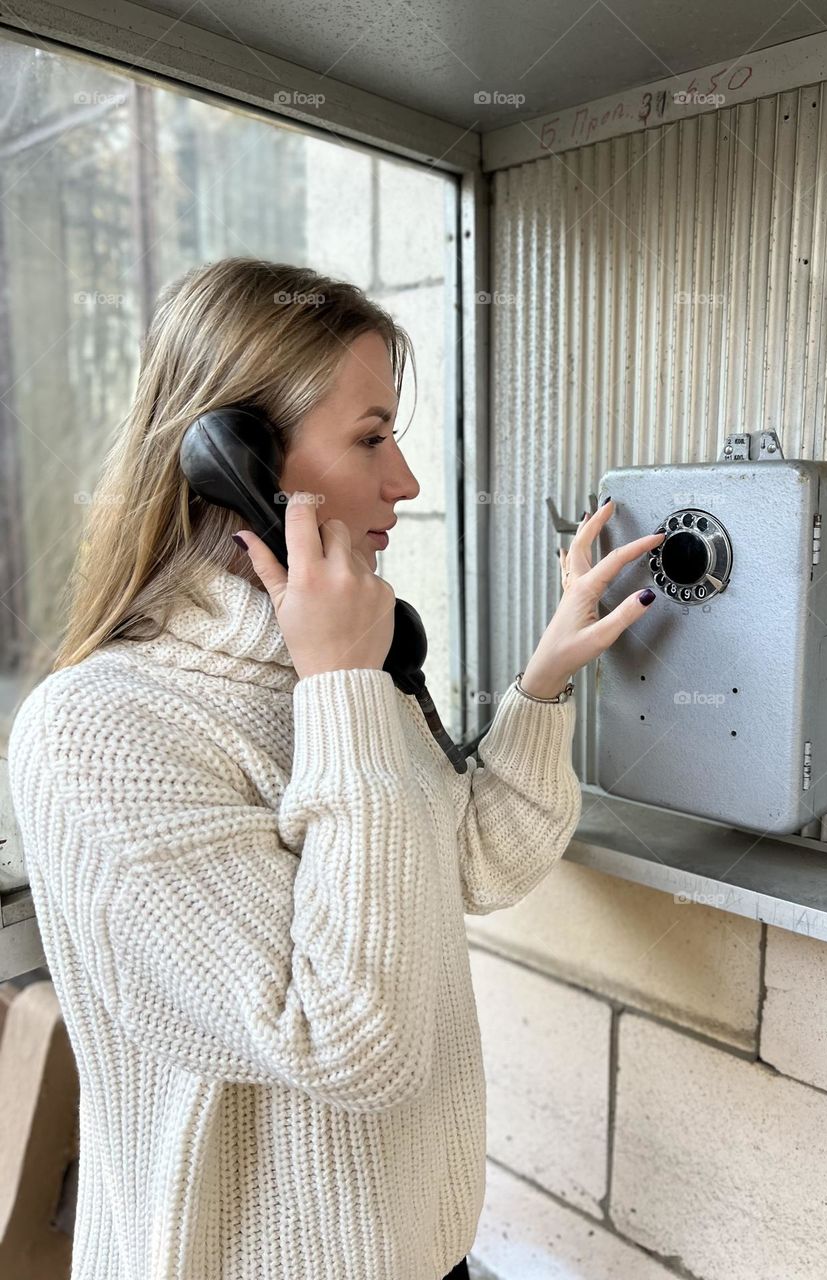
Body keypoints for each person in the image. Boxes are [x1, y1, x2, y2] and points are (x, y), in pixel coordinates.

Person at [7, 257, 663, 1280]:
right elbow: (348, 1035)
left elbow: (478, 859)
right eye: (370, 437)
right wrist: (345, 690)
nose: (403, 481)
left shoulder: (338, 667)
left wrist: (541, 685)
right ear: (234, 460)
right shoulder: (102, 731)